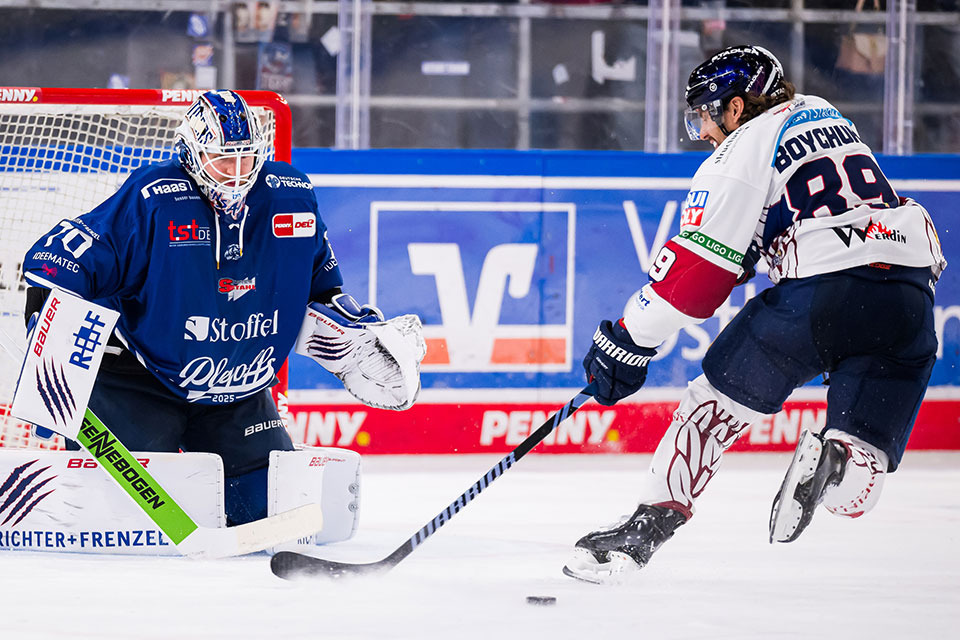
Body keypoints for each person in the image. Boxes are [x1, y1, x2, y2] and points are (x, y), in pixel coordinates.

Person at [564, 45, 946, 584]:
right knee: (861, 478)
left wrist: (628, 339)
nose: (705, 133)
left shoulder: (739, 149)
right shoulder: (826, 115)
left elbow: (696, 280)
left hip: (823, 291)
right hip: (909, 298)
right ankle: (837, 462)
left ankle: (642, 533)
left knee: (712, 406)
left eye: (704, 117)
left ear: (736, 108)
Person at [20, 90, 385, 526]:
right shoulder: (156, 198)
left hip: (236, 393)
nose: (235, 174)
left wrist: (355, 331)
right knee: (114, 522)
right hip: (137, 381)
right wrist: (51, 360)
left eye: (246, 159)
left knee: (269, 511)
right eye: (221, 160)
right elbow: (54, 263)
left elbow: (322, 290)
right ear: (192, 154)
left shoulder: (292, 198)